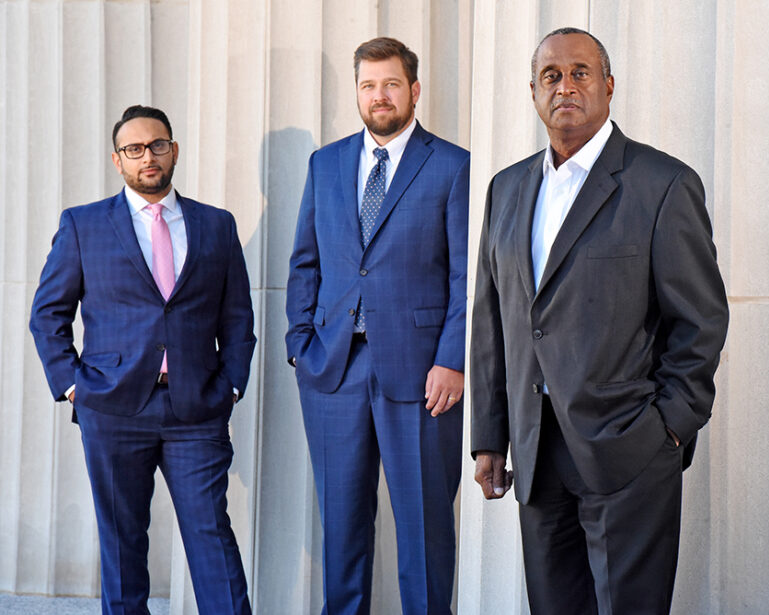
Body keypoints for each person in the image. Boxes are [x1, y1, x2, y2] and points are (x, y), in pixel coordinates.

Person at [470, 27, 730, 615]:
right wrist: (490, 436)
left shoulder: (663, 184)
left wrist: (668, 428)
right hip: (536, 454)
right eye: (551, 76)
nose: (565, 86)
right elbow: (492, 320)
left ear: (609, 86)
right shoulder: (506, 189)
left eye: (580, 73)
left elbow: (701, 321)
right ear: (533, 92)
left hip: (629, 452)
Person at [30, 105, 256, 615]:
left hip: (196, 408)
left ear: (174, 150)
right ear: (118, 160)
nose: (147, 156)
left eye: (157, 145)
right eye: (133, 149)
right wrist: (74, 387)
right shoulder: (84, 224)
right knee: (123, 542)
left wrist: (231, 385)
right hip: (112, 408)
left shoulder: (216, 225)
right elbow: (48, 314)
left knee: (211, 535)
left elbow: (237, 317)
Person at [285, 37, 469, 615]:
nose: (379, 95)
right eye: (368, 85)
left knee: (424, 529)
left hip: (423, 375)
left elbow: (466, 276)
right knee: (341, 530)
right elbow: (305, 262)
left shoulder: (453, 165)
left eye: (391, 84)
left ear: (414, 90)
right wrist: (300, 345)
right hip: (332, 369)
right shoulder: (326, 163)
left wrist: (453, 359)